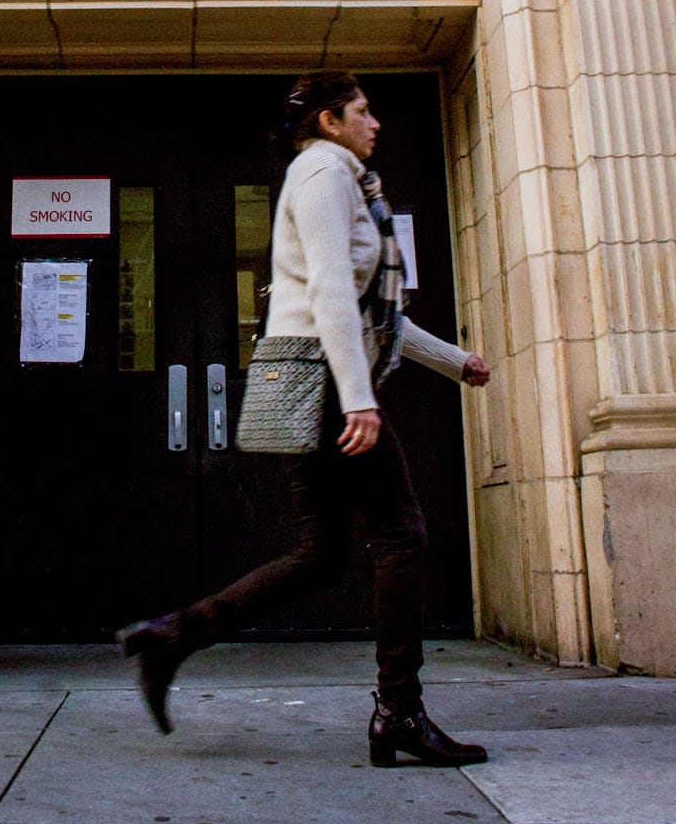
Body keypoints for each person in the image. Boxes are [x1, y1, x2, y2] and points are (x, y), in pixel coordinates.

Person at [117, 69, 492, 767]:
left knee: (321, 556)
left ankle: (173, 635)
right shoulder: (323, 175)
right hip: (321, 382)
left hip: (320, 377)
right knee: (403, 533)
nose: (375, 122)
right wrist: (360, 400)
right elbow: (329, 295)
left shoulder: (350, 183)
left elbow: (375, 312)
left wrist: (455, 361)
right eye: (362, 110)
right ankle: (399, 714)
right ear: (329, 119)